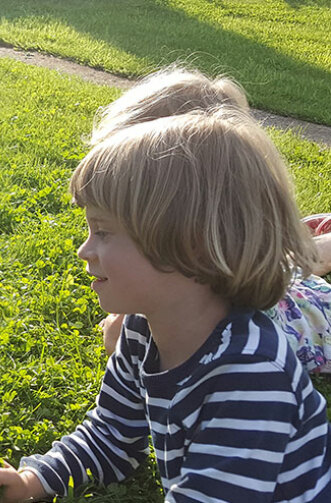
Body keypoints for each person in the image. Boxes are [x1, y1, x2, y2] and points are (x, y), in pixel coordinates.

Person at [0, 108, 331, 502]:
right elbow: (110, 435)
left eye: (103, 232)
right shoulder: (143, 329)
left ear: (189, 247)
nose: (84, 250)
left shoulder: (253, 376)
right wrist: (32, 482)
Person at [87, 65, 331, 371]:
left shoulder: (248, 352)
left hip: (301, 300)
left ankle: (311, 243)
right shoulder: (180, 270)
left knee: (299, 263)